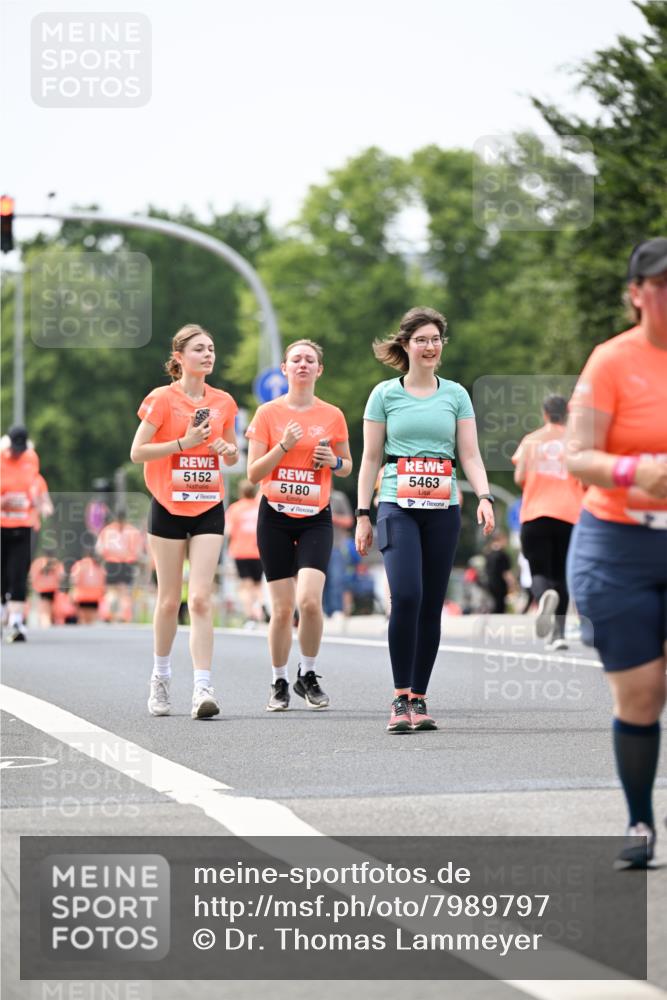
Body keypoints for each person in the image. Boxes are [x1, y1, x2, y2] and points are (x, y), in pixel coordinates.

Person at [565, 237, 667, 867]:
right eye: (660, 284)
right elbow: (578, 455)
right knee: (642, 694)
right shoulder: (611, 362)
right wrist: (636, 471)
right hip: (616, 545)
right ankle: (639, 821)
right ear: (636, 294)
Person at [355, 306, 495, 733]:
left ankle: (419, 697)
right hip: (396, 503)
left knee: (432, 604)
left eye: (436, 339)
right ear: (406, 344)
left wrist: (485, 496)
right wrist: (363, 514)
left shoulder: (455, 394)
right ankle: (399, 698)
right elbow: (371, 458)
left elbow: (468, 453)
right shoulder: (384, 394)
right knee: (408, 596)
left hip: (443, 507)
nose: (430, 346)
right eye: (422, 339)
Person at [130, 323, 239, 720]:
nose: (208, 354)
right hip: (167, 506)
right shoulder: (161, 399)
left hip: (209, 504)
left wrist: (228, 451)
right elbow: (137, 452)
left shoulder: (224, 401)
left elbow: (231, 456)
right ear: (179, 357)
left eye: (211, 348)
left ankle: (202, 687)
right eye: (199, 349)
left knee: (200, 598)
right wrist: (183, 444)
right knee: (167, 599)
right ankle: (160, 678)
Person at [246, 339, 352, 711]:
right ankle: (278, 680)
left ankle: (307, 674)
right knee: (282, 607)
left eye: (310, 360)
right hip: (274, 516)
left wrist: (332, 462)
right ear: (284, 368)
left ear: (319, 370)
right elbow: (254, 471)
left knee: (309, 602)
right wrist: (283, 447)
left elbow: (347, 464)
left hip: (315, 518)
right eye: (296, 360)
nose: (303, 365)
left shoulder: (332, 415)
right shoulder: (268, 414)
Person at [512, 394, 584, 649]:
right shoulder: (576, 442)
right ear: (567, 414)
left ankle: (543, 597)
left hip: (535, 514)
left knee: (539, 571)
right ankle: (559, 635)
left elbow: (520, 477)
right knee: (562, 574)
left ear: (544, 414)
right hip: (569, 516)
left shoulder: (531, 441)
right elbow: (586, 480)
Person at [1, 426, 42, 642]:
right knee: (2, 576)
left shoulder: (31, 458)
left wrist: (38, 500)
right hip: (1, 524)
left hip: (23, 524)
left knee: (18, 574)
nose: (17, 453)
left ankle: (16, 622)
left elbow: (35, 485)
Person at [224, 479, 265, 626]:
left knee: (246, 585)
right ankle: (261, 607)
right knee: (258, 584)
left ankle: (250, 616)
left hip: (240, 551)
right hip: (259, 551)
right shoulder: (259, 507)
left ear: (241, 492)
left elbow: (227, 531)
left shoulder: (235, 509)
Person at [95, 508, 145, 623]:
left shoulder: (107, 530)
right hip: (127, 564)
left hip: (111, 563)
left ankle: (109, 614)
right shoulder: (133, 531)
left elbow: (99, 549)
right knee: (124, 592)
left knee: (111, 591)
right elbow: (138, 551)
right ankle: (123, 615)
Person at [322, 490, 354, 618]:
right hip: (319, 546)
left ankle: (336, 610)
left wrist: (332, 517)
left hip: (337, 545)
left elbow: (349, 521)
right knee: (320, 580)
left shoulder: (338, 497)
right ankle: (323, 610)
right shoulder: (316, 494)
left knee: (337, 580)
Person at [29, 548, 65, 627]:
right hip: (52, 588)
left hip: (41, 588)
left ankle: (45, 622)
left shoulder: (38, 562)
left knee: (44, 606)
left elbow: (32, 576)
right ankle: (46, 622)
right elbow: (61, 576)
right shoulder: (56, 563)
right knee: (49, 606)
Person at [69, 551, 106, 624]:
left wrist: (72, 593)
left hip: (82, 596)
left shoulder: (79, 565)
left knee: (82, 619)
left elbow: (74, 581)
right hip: (95, 596)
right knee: (92, 620)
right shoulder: (98, 566)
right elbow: (102, 581)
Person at [484, 531, 516, 614]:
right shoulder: (503, 555)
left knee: (493, 606)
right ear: (501, 540)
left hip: (490, 584)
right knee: (499, 609)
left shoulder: (488, 554)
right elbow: (506, 573)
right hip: (501, 586)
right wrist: (512, 585)